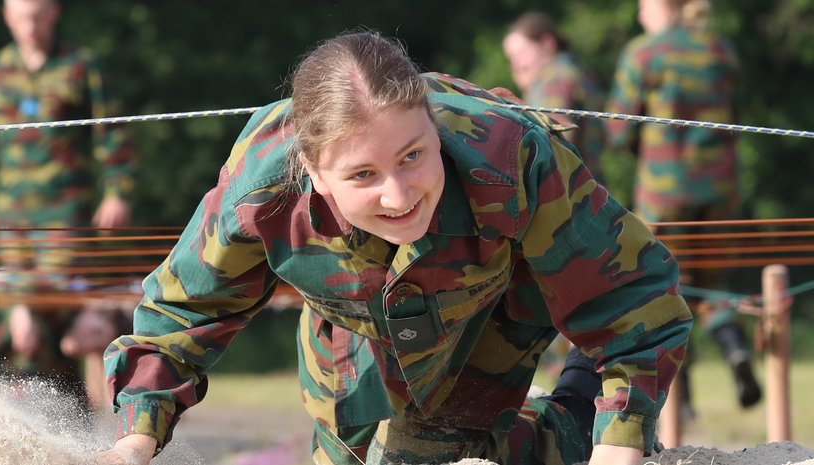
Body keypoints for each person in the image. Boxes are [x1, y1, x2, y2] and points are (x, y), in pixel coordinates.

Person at [99, 31, 692, 465]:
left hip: (491, 299)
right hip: (350, 320)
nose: (399, 194)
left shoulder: (509, 156)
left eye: (413, 156)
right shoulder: (262, 194)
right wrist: (135, 442)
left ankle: (577, 405)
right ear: (315, 173)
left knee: (439, 455)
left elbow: (636, 300)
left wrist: (618, 440)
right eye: (363, 175)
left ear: (433, 126)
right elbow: (181, 317)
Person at [0, 0, 136, 386]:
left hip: (64, 216)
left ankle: (60, 406)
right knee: (22, 319)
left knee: (48, 309)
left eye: (37, 17)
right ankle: (41, 405)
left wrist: (119, 191)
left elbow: (112, 133)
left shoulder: (80, 66)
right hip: (13, 220)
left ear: (53, 13)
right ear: (7, 17)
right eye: (21, 19)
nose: (29, 28)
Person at [604, 0, 760, 417]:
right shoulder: (720, 50)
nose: (640, 14)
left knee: (667, 287)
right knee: (712, 281)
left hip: (664, 193)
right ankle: (736, 352)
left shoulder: (644, 52)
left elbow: (617, 130)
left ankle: (681, 401)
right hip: (720, 191)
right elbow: (739, 117)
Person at [502, 11, 606, 183]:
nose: (515, 64)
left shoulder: (555, 80)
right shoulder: (574, 72)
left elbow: (553, 145)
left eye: (521, 52)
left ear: (547, 44)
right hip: (589, 187)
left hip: (566, 191)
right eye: (511, 57)